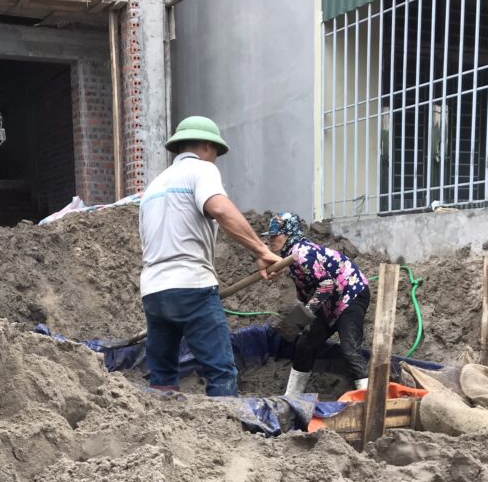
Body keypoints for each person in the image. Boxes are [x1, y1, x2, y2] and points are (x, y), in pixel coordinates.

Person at [139, 116, 280, 397]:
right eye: (215, 152)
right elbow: (220, 209)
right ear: (207, 146)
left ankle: (162, 421)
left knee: (162, 375)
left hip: (153, 291)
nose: (215, 159)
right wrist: (262, 250)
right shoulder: (202, 169)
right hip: (191, 285)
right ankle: (225, 423)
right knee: (220, 370)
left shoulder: (153, 187)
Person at [265, 212, 371, 394]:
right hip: (328, 301)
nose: (271, 239)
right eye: (270, 236)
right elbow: (306, 287)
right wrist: (302, 312)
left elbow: (326, 284)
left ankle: (368, 397)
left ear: (289, 234)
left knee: (349, 349)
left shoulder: (303, 253)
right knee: (304, 344)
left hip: (350, 293)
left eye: (276, 235)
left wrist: (306, 313)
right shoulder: (290, 256)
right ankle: (291, 397)